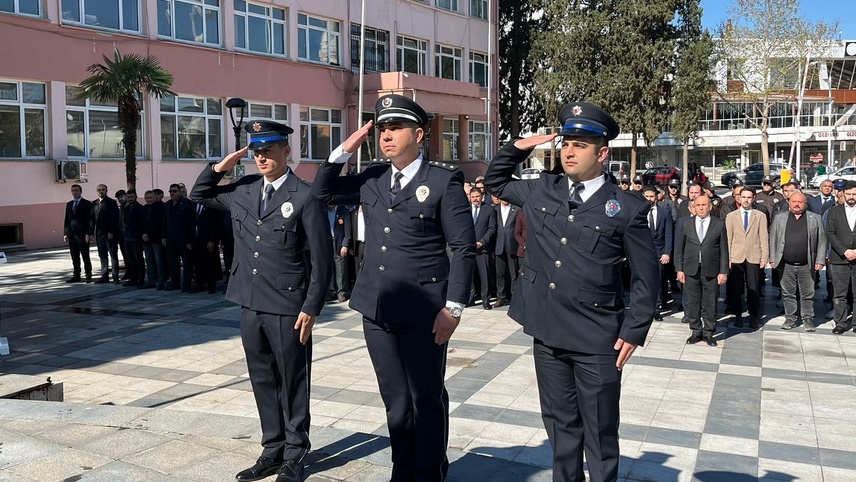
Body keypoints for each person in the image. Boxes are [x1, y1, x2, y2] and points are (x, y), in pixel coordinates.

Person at [484, 102, 658, 482]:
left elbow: (646, 278)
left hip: (596, 338)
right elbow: (494, 182)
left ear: (602, 153)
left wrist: (634, 330)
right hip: (547, 332)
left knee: (600, 433)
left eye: (580, 145)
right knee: (561, 431)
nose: (569, 151)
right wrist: (519, 146)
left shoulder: (625, 208)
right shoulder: (542, 189)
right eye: (566, 143)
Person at [312, 94, 476, 482]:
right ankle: (402, 471)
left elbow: (463, 247)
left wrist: (453, 308)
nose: (386, 135)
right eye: (382, 129)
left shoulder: (443, 181)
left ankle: (429, 472)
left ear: (418, 135)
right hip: (377, 308)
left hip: (425, 312)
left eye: (396, 127)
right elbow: (321, 193)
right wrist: (343, 150)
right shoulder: (372, 178)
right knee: (396, 401)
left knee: (425, 398)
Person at [191, 120, 332, 482]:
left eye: (268, 150)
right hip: (249, 302)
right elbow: (200, 194)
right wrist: (222, 166)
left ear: (287, 151)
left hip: (288, 305)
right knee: (262, 379)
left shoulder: (305, 196)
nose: (261, 158)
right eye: (256, 152)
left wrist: (312, 306)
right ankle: (272, 449)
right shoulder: (244, 189)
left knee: (293, 381)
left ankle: (295, 454)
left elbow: (322, 259)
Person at [674, 195, 728, 346]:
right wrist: (679, 269)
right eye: (698, 205)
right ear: (694, 207)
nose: (701, 208)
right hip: (690, 269)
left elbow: (724, 250)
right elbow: (680, 248)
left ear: (710, 206)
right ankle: (696, 331)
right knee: (693, 302)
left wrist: (723, 271)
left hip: (711, 270)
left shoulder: (719, 224)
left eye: (704, 205)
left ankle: (709, 332)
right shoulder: (687, 224)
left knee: (710, 303)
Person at [769, 192, 827, 332]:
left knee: (808, 294)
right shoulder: (780, 218)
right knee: (788, 293)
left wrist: (820, 260)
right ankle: (790, 318)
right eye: (794, 201)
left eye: (800, 202)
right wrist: (772, 258)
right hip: (786, 263)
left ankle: (808, 319)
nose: (797, 204)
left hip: (807, 264)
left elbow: (822, 240)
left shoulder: (815, 218)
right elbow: (773, 239)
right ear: (789, 203)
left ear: (805, 204)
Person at [725, 187, 768, 329]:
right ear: (739, 198)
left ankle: (753, 316)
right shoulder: (731, 216)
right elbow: (728, 239)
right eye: (743, 197)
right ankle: (737, 316)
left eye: (749, 197)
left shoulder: (760, 216)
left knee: (753, 287)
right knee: (736, 288)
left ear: (754, 198)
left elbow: (763, 237)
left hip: (753, 256)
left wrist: (764, 257)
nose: (746, 200)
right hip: (736, 257)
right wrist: (727, 258)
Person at [823, 180, 856, 334]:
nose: (851, 197)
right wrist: (844, 251)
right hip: (839, 259)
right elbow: (830, 233)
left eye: (854, 194)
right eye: (848, 194)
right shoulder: (834, 211)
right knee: (839, 294)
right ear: (843, 194)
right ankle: (841, 323)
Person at [643, 186, 673, 321]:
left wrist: (667, 252)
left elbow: (668, 234)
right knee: (644, 281)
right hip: (643, 253)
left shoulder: (664, 213)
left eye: (652, 196)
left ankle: (656, 309)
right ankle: (645, 308)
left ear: (656, 197)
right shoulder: (638, 212)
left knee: (659, 281)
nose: (649, 199)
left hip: (659, 252)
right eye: (647, 196)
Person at [163, 183, 194, 292]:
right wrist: (164, 236)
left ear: (180, 192)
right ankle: (174, 282)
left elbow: (191, 223)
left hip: (184, 239)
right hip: (171, 239)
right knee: (172, 262)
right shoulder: (167, 205)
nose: (172, 193)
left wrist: (190, 240)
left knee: (186, 262)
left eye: (174, 191)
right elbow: (165, 222)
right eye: (170, 191)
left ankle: (187, 283)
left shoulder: (187, 204)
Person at [469, 187, 496, 309]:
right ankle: (470, 299)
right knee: (469, 275)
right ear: (470, 197)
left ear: (481, 196)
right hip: (468, 248)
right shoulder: (465, 210)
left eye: (477, 196)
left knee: (484, 275)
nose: (475, 199)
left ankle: (486, 300)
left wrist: (481, 242)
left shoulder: (489, 209)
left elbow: (492, 229)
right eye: (473, 197)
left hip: (483, 248)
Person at [90, 184, 120, 284]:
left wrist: (111, 231)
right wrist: (91, 233)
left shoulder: (111, 202)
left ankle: (115, 276)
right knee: (102, 255)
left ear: (106, 190)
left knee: (113, 255)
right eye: (99, 190)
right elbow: (92, 219)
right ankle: (104, 275)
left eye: (103, 189)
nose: (101, 191)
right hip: (99, 234)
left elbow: (115, 218)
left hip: (110, 234)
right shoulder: (94, 203)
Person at [63, 184, 93, 283]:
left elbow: (89, 220)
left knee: (85, 256)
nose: (74, 192)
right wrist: (65, 233)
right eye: (72, 190)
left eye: (76, 190)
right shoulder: (69, 204)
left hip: (83, 235)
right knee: (74, 256)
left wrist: (88, 233)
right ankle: (76, 275)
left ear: (80, 191)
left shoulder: (87, 203)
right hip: (72, 235)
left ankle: (88, 275)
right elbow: (67, 220)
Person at [494, 198, 520, 308]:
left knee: (514, 274)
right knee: (500, 273)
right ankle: (501, 297)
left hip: (512, 245)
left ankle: (515, 297)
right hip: (499, 245)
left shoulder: (517, 209)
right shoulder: (495, 210)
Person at [190, 202, 221, 294]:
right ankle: (199, 284)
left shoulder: (210, 206)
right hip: (195, 239)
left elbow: (215, 224)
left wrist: (212, 240)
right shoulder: (193, 206)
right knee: (198, 263)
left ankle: (211, 285)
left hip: (207, 240)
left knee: (209, 263)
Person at [141, 190, 166, 290]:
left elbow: (160, 223)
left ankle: (161, 281)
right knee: (149, 260)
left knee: (159, 261)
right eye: (147, 198)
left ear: (154, 197)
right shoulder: (144, 209)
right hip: (146, 240)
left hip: (156, 239)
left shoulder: (160, 208)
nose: (149, 200)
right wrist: (143, 234)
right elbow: (141, 223)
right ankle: (151, 280)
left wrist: (150, 234)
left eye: (150, 198)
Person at [327, 204, 352, 302]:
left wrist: (345, 245)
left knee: (341, 268)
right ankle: (331, 291)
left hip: (339, 243)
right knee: (329, 268)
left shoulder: (343, 210)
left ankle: (342, 292)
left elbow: (348, 230)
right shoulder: (324, 210)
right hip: (327, 243)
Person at [122, 189, 146, 287]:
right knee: (130, 259)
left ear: (136, 197)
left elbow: (142, 222)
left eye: (132, 197)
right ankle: (133, 278)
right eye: (128, 197)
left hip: (137, 237)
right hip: (128, 237)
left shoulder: (140, 208)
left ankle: (141, 278)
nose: (130, 199)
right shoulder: (126, 208)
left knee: (138, 259)